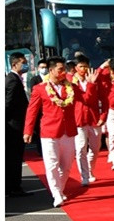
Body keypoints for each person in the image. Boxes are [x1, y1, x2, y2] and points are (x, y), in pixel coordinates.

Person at [23, 57, 98, 207]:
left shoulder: (71, 86)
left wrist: (90, 84)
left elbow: (86, 99)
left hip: (68, 131)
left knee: (67, 165)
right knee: (52, 165)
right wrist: (28, 131)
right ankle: (56, 193)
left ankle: (60, 189)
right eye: (60, 69)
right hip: (49, 131)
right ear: (51, 71)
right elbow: (32, 111)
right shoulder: (40, 88)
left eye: (64, 69)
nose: (64, 72)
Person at [71, 55, 107, 186]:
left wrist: (103, 116)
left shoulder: (96, 80)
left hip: (94, 119)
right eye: (81, 66)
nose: (83, 69)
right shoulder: (70, 82)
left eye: (86, 66)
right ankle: (84, 175)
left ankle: (90, 170)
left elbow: (104, 99)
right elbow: (83, 99)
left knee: (96, 148)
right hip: (79, 120)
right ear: (75, 68)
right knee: (81, 148)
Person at [6, 53, 30, 196]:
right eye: (23, 62)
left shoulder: (14, 79)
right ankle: (14, 187)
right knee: (14, 157)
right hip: (14, 126)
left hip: (15, 125)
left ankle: (13, 186)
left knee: (15, 157)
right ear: (14, 64)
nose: (26, 64)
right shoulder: (13, 81)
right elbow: (7, 104)